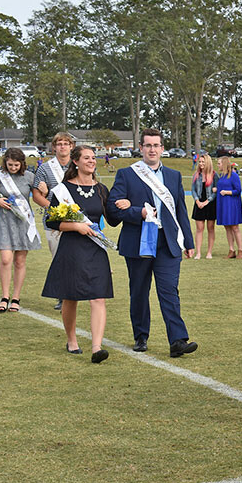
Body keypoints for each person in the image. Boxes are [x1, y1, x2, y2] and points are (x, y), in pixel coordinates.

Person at [106, 127, 197, 358]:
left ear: (162, 148)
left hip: (167, 242)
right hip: (138, 242)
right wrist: (139, 213)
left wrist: (188, 240)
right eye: (148, 145)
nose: (152, 149)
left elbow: (180, 210)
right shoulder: (127, 174)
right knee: (139, 291)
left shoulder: (174, 176)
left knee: (169, 291)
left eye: (156, 145)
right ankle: (141, 336)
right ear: (141, 148)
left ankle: (177, 340)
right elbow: (113, 208)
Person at [41, 146, 119, 363]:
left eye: (93, 158)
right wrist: (76, 227)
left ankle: (97, 347)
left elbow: (112, 218)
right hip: (72, 249)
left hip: (95, 249)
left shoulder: (102, 189)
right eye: (87, 158)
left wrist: (125, 205)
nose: (92, 161)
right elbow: (51, 221)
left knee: (98, 296)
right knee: (71, 297)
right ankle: (72, 339)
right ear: (76, 162)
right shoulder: (62, 190)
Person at [0, 148, 43, 313]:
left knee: (19, 261)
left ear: (22, 163)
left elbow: (39, 194)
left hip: (23, 222)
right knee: (5, 260)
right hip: (5, 221)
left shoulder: (29, 177)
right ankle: (5, 296)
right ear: (5, 162)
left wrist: (44, 189)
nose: (13, 168)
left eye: (16, 165)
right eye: (10, 164)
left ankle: (16, 298)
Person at [32, 132, 75, 310]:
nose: (63, 146)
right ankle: (61, 295)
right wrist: (54, 208)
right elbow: (36, 195)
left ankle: (76, 292)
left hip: (78, 219)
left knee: (77, 257)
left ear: (71, 146)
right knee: (58, 258)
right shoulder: (44, 168)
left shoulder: (78, 165)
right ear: (54, 147)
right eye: (59, 144)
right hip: (54, 220)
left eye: (66, 143)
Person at [215, 155, 242, 259]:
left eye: (219, 163)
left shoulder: (233, 176)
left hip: (232, 204)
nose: (217, 165)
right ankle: (231, 250)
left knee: (235, 227)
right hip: (223, 204)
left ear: (224, 164)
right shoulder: (221, 176)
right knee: (227, 227)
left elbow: (238, 190)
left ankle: (240, 250)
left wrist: (227, 192)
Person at [191, 154, 217, 259]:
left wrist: (207, 201)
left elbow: (216, 191)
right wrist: (197, 201)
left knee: (210, 228)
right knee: (199, 229)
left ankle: (209, 252)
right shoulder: (196, 175)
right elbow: (193, 189)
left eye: (203, 162)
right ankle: (198, 253)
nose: (201, 164)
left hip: (210, 204)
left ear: (208, 163)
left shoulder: (214, 175)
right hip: (199, 204)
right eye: (200, 162)